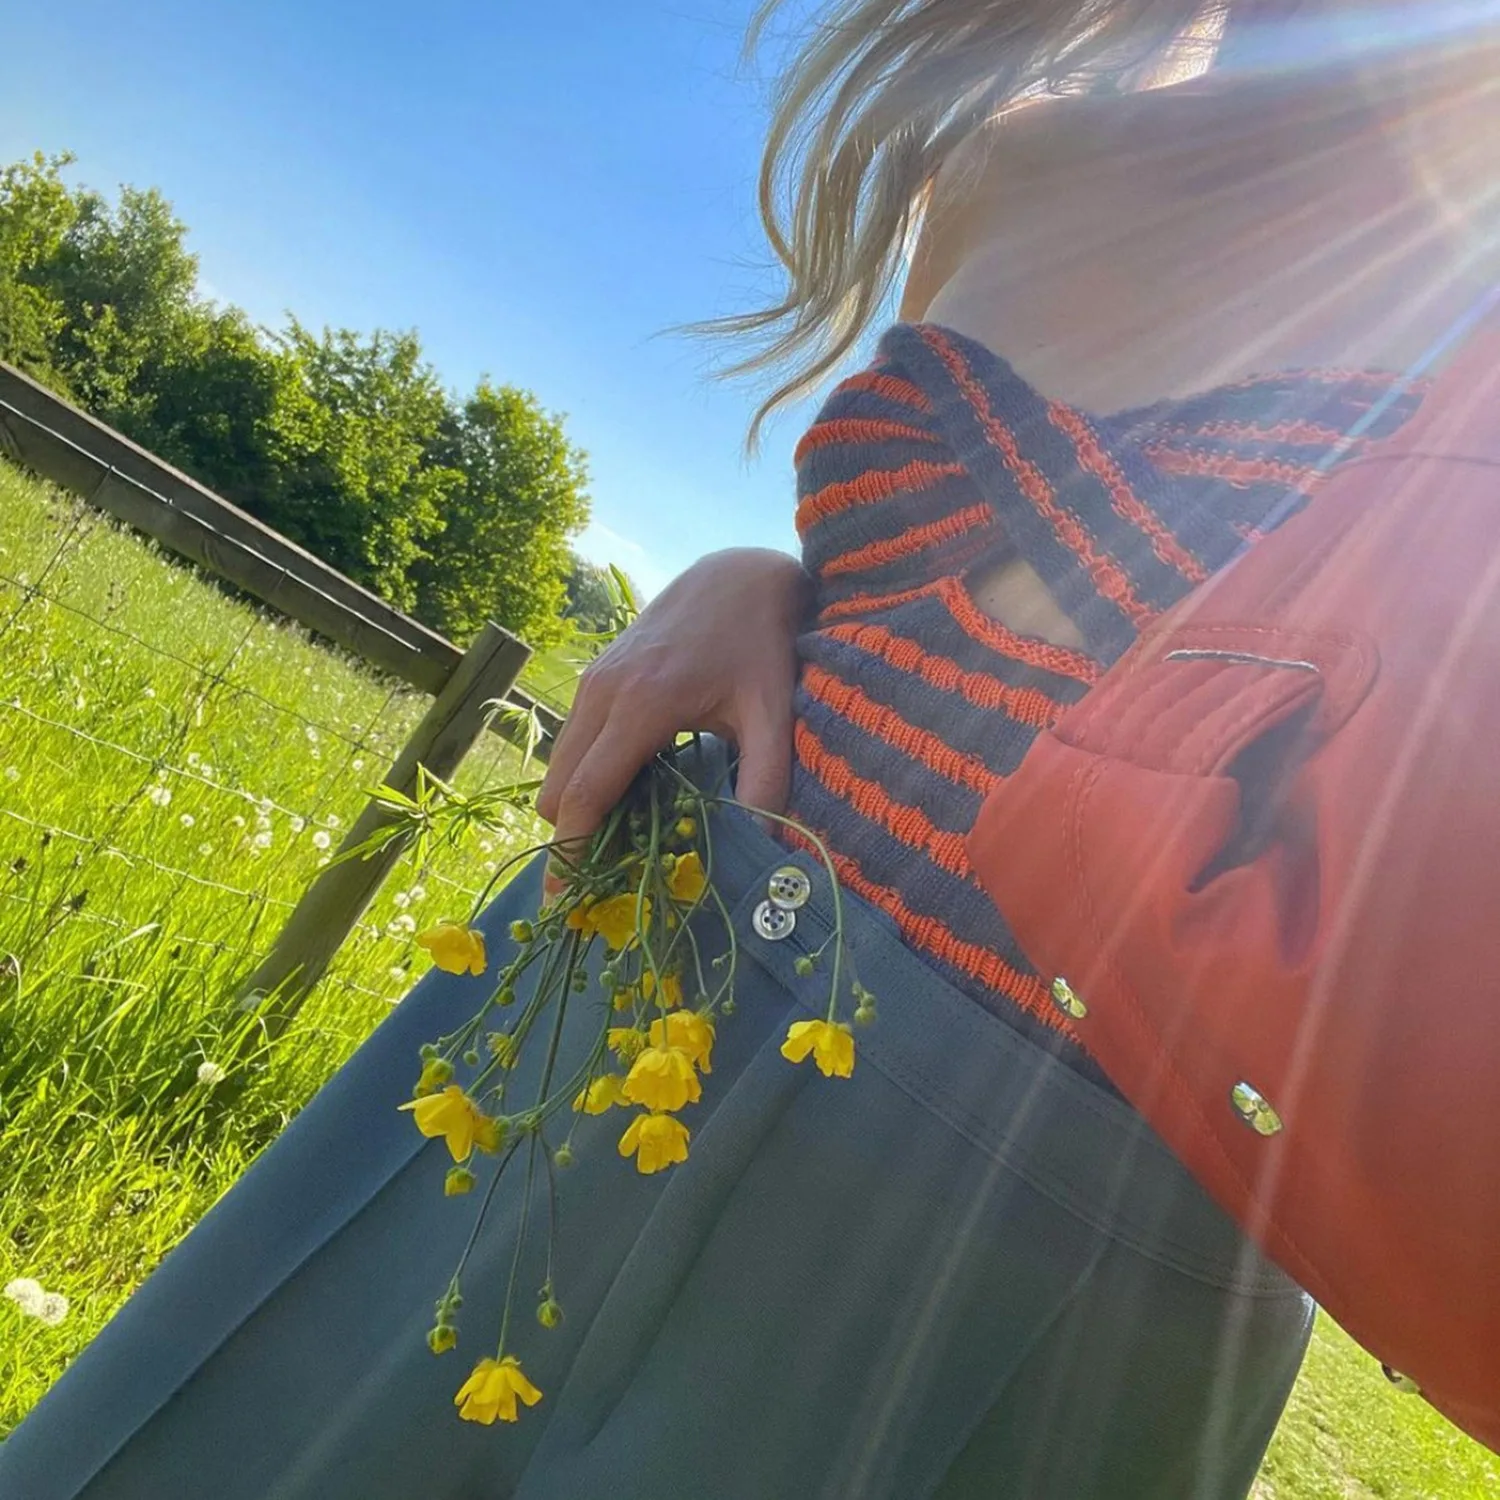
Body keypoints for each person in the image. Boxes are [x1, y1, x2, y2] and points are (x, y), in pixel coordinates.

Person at [4, 2, 1495, 1495]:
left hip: (1048, 1248)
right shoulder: (1015, 153)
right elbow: (947, 605)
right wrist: (761, 579)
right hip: (623, 980)